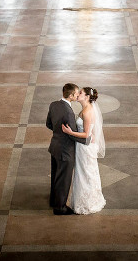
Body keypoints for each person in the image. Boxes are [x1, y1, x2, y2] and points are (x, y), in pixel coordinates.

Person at [61, 86, 106, 215]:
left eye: (80, 93)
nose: (77, 94)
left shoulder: (87, 112)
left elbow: (86, 134)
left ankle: (87, 203)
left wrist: (70, 132)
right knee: (84, 173)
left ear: (86, 97)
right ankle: (86, 201)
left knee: (85, 173)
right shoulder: (85, 109)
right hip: (82, 147)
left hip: (84, 148)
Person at [46, 83, 88, 215]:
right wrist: (86, 140)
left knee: (55, 176)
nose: (77, 96)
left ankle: (54, 200)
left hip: (54, 147)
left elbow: (48, 124)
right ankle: (60, 208)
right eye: (76, 94)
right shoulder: (68, 112)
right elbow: (72, 134)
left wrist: (59, 133)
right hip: (65, 151)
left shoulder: (54, 104)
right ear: (70, 96)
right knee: (63, 179)